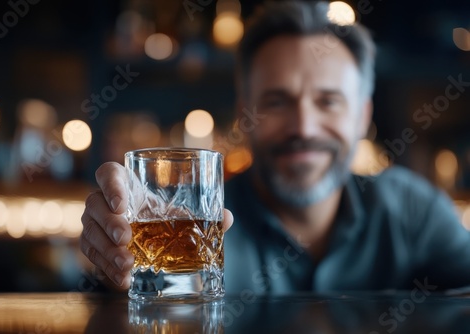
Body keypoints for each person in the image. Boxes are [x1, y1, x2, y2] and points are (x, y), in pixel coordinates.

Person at [80, 1, 470, 294]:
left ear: (363, 116)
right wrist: (119, 272)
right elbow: (158, 299)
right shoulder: (194, 225)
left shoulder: (415, 211)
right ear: (243, 113)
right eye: (276, 102)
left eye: (328, 101)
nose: (303, 126)